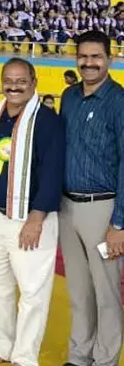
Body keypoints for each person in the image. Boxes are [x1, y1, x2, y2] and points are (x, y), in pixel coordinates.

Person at [0, 58, 65, 366]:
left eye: (21, 81)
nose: (14, 86)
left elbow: (53, 171)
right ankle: (1, 347)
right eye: (8, 80)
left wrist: (37, 217)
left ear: (34, 82)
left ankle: (25, 357)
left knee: (32, 291)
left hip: (30, 218)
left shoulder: (47, 121)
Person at [59, 30, 124, 366]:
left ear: (109, 59)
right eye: (83, 56)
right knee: (78, 290)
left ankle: (105, 360)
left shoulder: (119, 101)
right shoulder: (68, 97)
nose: (89, 63)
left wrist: (119, 224)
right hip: (67, 208)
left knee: (106, 292)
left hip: (104, 209)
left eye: (96, 56)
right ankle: (79, 354)